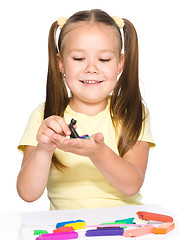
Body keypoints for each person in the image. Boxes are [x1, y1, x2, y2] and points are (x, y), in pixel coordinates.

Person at [17, 9, 155, 210]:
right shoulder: (44, 115)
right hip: (65, 229)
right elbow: (27, 193)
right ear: (61, 63)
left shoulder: (133, 112)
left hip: (122, 227)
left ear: (119, 64)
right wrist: (44, 149)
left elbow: (132, 184)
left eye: (104, 59)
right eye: (79, 58)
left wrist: (98, 153)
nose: (91, 68)